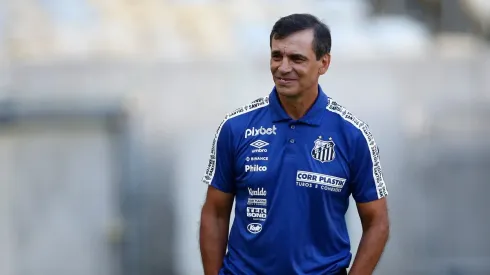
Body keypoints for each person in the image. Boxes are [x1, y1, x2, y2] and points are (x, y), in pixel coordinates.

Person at [199, 13, 389, 275]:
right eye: (277, 56)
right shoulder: (236, 128)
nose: (283, 67)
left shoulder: (352, 135)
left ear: (324, 63)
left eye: (297, 59)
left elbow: (377, 221)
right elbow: (215, 213)